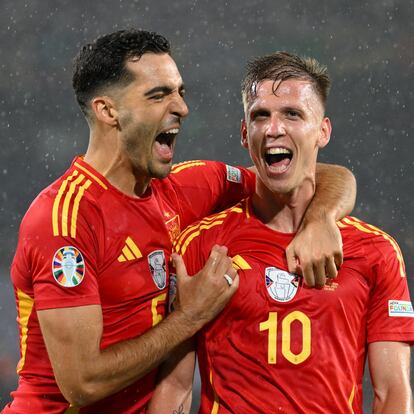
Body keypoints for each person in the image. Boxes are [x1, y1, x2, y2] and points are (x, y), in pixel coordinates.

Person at [3, 31, 356, 414]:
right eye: (159, 95)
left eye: (179, 92)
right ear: (108, 111)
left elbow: (315, 175)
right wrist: (190, 315)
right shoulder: (65, 218)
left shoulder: (189, 187)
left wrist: (322, 218)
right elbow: (83, 383)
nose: (182, 108)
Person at [148, 52, 414, 413]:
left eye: (292, 113)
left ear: (323, 131)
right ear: (245, 134)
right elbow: (175, 387)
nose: (274, 128)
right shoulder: (201, 245)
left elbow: (392, 393)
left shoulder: (375, 252)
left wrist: (321, 219)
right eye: (260, 115)